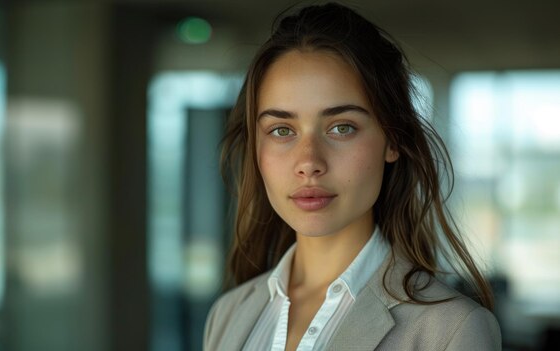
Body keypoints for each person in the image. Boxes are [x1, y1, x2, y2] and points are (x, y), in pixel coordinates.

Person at [204, 2, 501, 350]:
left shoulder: (450, 330)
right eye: (282, 130)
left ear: (392, 139)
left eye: (342, 127)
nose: (309, 162)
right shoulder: (226, 315)